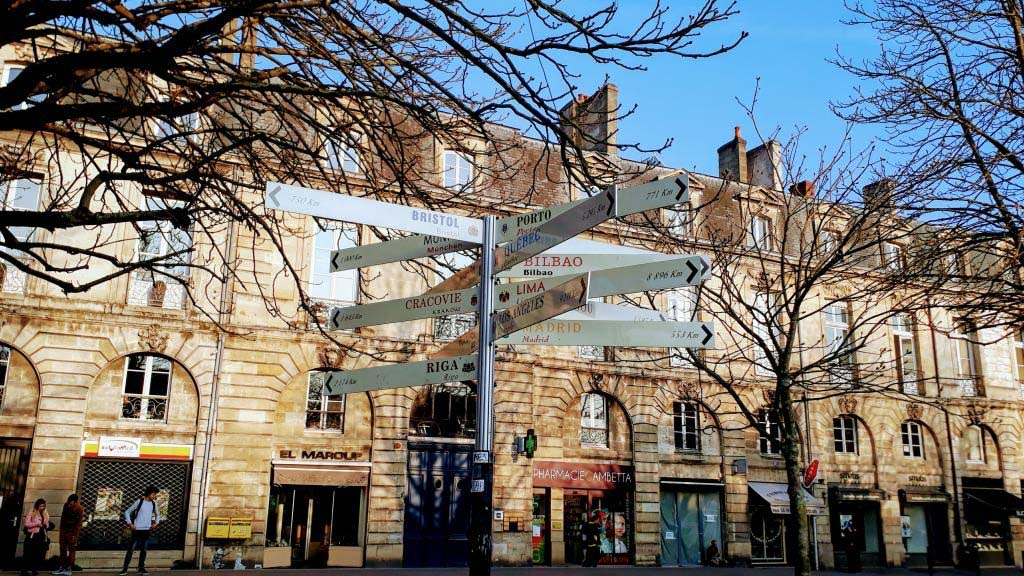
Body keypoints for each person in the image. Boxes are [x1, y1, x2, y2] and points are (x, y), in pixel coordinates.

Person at [120, 486, 161, 576]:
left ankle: (141, 569)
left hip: (146, 530)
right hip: (137, 530)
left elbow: (158, 514)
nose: (154, 496)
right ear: (148, 493)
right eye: (153, 494)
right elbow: (127, 512)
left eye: (155, 494)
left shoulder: (154, 504)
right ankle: (124, 569)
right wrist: (130, 524)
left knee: (144, 551)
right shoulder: (139, 502)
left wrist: (156, 523)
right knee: (131, 550)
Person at [53, 494, 84, 576]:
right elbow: (63, 518)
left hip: (72, 532)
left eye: (71, 503)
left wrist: (75, 535)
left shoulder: (79, 509)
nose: (69, 504)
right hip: (64, 530)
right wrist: (61, 530)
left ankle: (69, 567)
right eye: (69, 502)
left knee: (71, 550)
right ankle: (62, 567)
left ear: (75, 502)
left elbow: (79, 523)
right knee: (62, 548)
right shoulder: (66, 505)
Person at [21, 498, 50, 576]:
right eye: (40, 506)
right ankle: (24, 571)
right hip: (32, 535)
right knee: (28, 553)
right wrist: (37, 524)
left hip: (41, 535)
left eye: (43, 506)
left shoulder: (45, 513)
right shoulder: (32, 512)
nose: (42, 508)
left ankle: (34, 569)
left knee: (38, 554)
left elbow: (47, 523)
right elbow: (27, 524)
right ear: (37, 505)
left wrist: (46, 525)